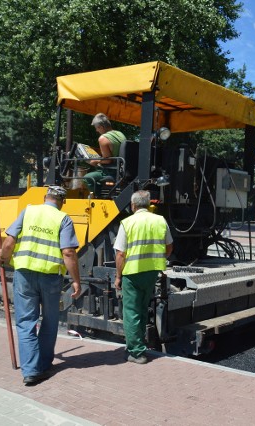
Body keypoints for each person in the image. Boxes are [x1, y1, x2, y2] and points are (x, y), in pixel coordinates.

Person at [0, 186, 81, 385]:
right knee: (50, 322)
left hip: (24, 274)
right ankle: (43, 364)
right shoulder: (63, 218)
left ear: (45, 197)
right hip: (51, 277)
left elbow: (9, 242)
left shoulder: (28, 211)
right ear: (63, 201)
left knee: (26, 322)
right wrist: (76, 280)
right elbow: (68, 252)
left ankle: (31, 370)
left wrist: (4, 258)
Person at [114, 190, 173, 364]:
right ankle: (139, 344)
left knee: (131, 312)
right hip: (151, 272)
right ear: (148, 204)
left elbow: (120, 254)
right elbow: (169, 246)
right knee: (141, 309)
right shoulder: (160, 220)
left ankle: (136, 351)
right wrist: (160, 259)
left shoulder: (127, 223)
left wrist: (118, 276)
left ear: (133, 205)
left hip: (132, 273)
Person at [83, 113, 126, 195]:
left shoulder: (103, 139)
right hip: (122, 169)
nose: (96, 131)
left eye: (97, 128)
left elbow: (107, 161)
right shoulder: (120, 134)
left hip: (112, 171)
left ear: (101, 127)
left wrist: (95, 161)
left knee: (88, 178)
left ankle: (99, 197)